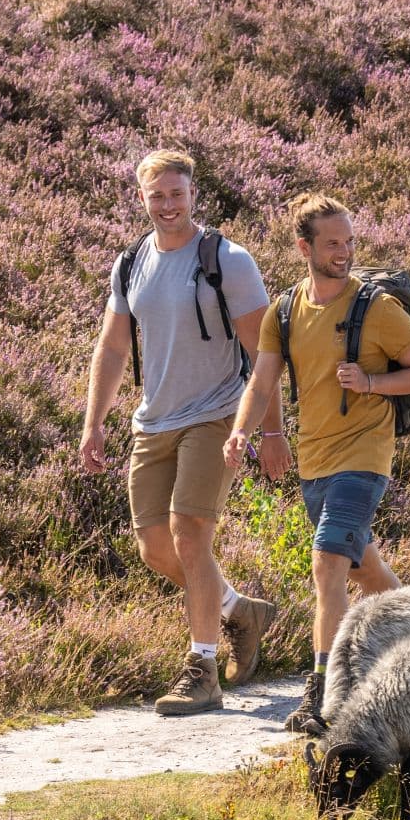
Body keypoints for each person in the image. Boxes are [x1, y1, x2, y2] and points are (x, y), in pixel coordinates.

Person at [225, 194, 410, 735]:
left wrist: (370, 383)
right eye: (332, 243)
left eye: (349, 241)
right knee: (365, 570)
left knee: (327, 565)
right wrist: (241, 432)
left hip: (365, 455)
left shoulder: (377, 308)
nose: (344, 252)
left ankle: (325, 695)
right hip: (315, 459)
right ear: (305, 247)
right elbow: (263, 379)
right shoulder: (286, 310)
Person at [81, 149, 278, 717]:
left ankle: (203, 670)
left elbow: (262, 352)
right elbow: (114, 346)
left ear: (194, 195)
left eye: (176, 194)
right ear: (141, 199)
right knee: (155, 548)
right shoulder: (130, 263)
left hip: (217, 413)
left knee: (190, 533)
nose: (167, 205)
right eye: (156, 195)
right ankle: (241, 610)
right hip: (153, 420)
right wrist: (94, 422)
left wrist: (271, 433)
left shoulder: (228, 261)